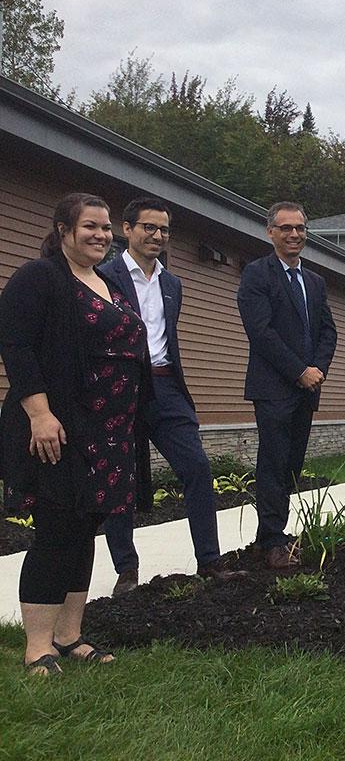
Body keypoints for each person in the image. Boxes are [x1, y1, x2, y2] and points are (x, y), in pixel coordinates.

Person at [0, 193, 152, 674]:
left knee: (86, 529)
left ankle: (69, 635)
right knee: (56, 531)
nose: (101, 235)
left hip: (109, 430)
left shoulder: (106, 282)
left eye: (107, 228)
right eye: (91, 226)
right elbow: (17, 346)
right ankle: (37, 646)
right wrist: (39, 415)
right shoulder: (39, 278)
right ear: (63, 229)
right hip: (60, 427)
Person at [99, 196, 246, 593]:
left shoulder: (172, 283)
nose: (157, 235)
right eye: (149, 227)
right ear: (126, 229)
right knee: (120, 480)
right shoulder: (103, 276)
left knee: (197, 467)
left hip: (165, 386)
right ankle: (126, 571)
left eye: (163, 229)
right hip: (119, 387)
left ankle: (209, 561)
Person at [237, 201, 337, 570]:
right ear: (271, 232)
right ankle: (275, 540)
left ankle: (268, 537)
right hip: (274, 388)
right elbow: (261, 333)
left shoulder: (315, 281)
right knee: (274, 464)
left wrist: (318, 370)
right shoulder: (257, 275)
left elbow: (328, 331)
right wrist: (299, 371)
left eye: (300, 228)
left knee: (292, 466)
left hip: (308, 388)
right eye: (286, 228)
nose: (294, 234)